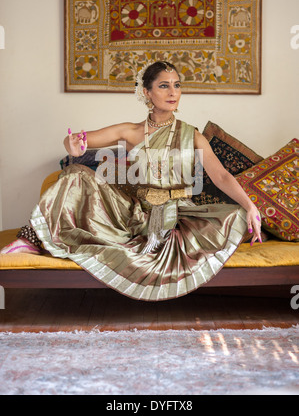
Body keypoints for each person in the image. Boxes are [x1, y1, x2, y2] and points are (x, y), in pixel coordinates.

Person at [0, 61, 262, 301]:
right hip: (134, 212)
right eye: (163, 85)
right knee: (77, 173)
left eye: (177, 85)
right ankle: (31, 238)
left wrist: (250, 206)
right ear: (147, 93)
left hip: (179, 212)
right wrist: (72, 143)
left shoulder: (191, 135)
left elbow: (221, 176)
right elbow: (80, 140)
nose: (173, 92)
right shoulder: (130, 131)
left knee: (235, 214)